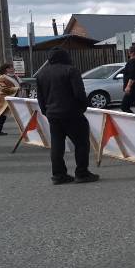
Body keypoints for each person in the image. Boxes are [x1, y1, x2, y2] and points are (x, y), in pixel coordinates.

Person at [35, 48, 99, 185]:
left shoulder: (41, 74)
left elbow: (40, 97)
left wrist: (46, 111)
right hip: (72, 113)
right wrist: (83, 107)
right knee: (81, 143)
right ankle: (81, 173)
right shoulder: (71, 70)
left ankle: (58, 175)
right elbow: (79, 93)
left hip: (52, 114)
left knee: (57, 145)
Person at [0, 63, 21, 136]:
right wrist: (16, 89)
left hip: (11, 98)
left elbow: (20, 85)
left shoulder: (15, 77)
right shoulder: (2, 78)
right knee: (1, 115)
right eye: (11, 68)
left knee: (3, 115)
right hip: (2, 100)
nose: (13, 69)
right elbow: (2, 88)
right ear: (6, 69)